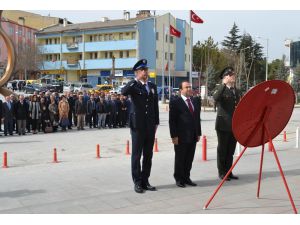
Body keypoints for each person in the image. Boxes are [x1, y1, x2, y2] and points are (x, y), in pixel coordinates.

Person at [121, 59, 159, 194]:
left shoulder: (152, 86)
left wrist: (156, 122)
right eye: (142, 70)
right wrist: (134, 80)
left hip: (150, 125)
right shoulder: (133, 86)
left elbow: (155, 106)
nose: (145, 72)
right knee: (136, 155)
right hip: (137, 125)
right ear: (137, 72)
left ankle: (145, 180)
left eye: (146, 70)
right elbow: (123, 91)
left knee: (148, 155)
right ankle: (137, 182)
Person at [169, 81, 202, 188]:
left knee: (189, 158)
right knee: (180, 158)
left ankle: (187, 177)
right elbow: (172, 121)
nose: (189, 89)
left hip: (192, 135)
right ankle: (179, 178)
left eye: (189, 87)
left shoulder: (194, 101)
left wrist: (198, 133)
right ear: (181, 90)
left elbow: (197, 119)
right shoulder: (175, 102)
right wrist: (174, 136)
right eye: (186, 87)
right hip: (181, 136)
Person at [213, 66, 242, 181]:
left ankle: (229, 172)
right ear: (226, 77)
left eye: (234, 74)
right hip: (223, 125)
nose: (234, 76)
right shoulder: (221, 89)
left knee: (230, 150)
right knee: (222, 150)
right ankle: (222, 172)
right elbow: (215, 97)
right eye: (231, 75)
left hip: (234, 126)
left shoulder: (237, 91)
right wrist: (223, 84)